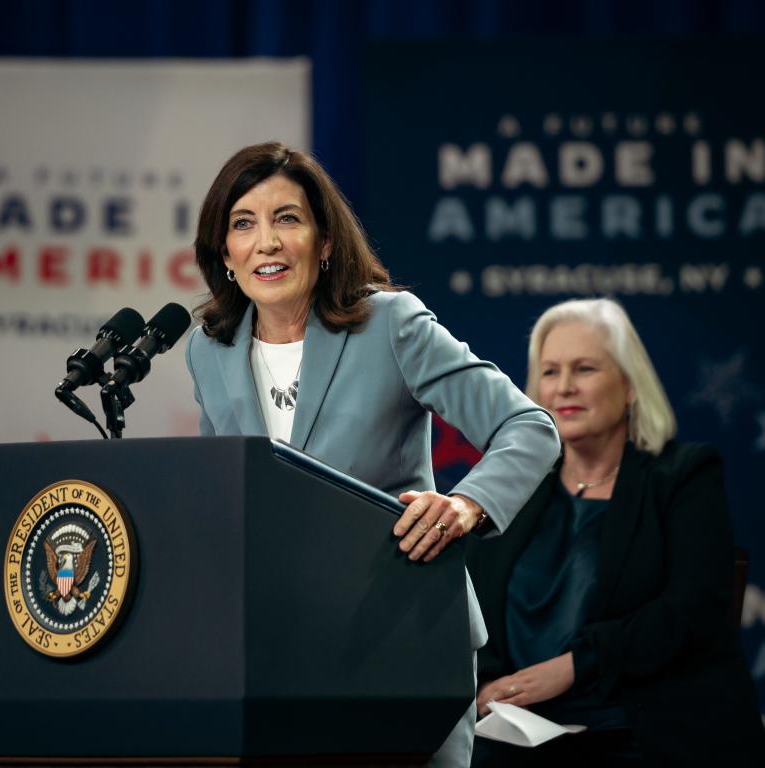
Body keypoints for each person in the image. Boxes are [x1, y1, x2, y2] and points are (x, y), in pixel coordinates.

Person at [184, 142, 560, 766]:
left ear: (325, 240)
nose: (267, 242)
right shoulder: (209, 351)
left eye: (288, 219)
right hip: (274, 657)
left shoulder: (389, 324)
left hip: (402, 642)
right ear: (224, 252)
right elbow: (222, 495)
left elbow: (529, 425)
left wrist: (467, 504)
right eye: (243, 223)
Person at [466, 298, 765, 766]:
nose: (564, 387)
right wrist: (484, 687)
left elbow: (692, 611)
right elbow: (471, 612)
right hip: (519, 734)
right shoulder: (513, 488)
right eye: (549, 372)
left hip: (642, 731)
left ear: (628, 385)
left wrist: (573, 668)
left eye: (584, 369)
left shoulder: (684, 475)